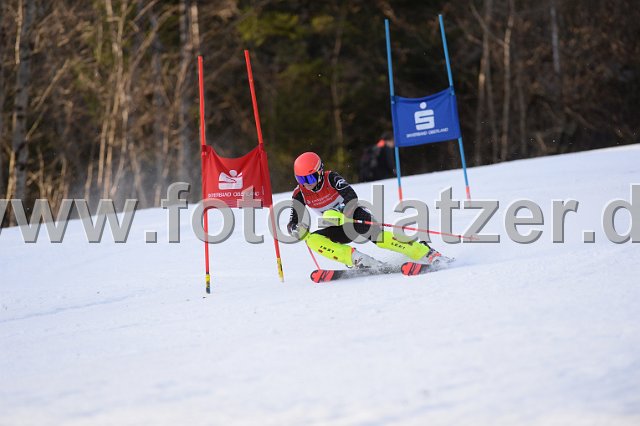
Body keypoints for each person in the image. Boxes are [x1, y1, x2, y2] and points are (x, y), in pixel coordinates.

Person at [287, 151, 447, 269]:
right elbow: (292, 221)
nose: (306, 184)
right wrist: (295, 229)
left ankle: (425, 253)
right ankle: (361, 261)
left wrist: (343, 212)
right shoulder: (300, 193)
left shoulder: (332, 178)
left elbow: (351, 197)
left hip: (355, 217)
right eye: (301, 179)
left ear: (320, 172)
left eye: (310, 178)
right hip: (337, 227)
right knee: (313, 240)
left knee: (380, 238)